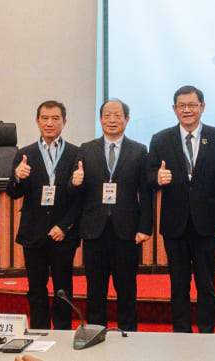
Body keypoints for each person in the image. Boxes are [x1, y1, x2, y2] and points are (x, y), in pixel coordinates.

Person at [147, 85, 215, 333]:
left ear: (202, 107)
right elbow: (149, 176)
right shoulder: (160, 139)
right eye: (181, 106)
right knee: (178, 284)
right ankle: (181, 334)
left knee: (207, 284)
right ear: (174, 109)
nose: (187, 110)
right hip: (175, 224)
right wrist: (157, 178)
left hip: (207, 224)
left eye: (192, 105)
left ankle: (207, 333)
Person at [68, 100, 152, 331]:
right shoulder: (86, 149)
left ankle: (128, 333)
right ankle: (96, 331)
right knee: (95, 288)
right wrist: (75, 183)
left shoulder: (139, 150)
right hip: (95, 230)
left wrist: (145, 227)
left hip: (127, 231)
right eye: (107, 115)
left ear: (126, 119)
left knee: (127, 287)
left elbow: (145, 193)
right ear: (100, 119)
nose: (112, 120)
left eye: (117, 115)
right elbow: (76, 189)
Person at [6, 100, 80, 329]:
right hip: (33, 233)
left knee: (63, 290)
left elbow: (81, 199)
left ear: (64, 122)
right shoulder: (25, 154)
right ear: (37, 121)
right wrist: (18, 177)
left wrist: (64, 226)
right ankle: (39, 334)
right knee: (36, 289)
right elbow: (13, 193)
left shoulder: (76, 153)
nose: (50, 123)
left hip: (62, 235)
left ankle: (63, 334)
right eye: (45, 118)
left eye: (55, 118)